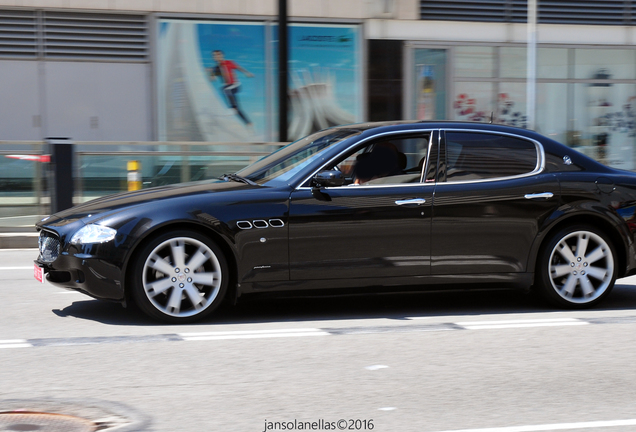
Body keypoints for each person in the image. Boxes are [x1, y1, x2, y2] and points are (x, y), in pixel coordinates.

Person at [209, 50, 254, 127]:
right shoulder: (215, 68)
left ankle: (232, 109)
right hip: (227, 87)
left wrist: (247, 73)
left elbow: (239, 68)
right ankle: (249, 123)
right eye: (214, 55)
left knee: (226, 90)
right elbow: (212, 79)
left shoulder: (229, 62)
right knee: (236, 108)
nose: (216, 57)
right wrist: (210, 74)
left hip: (235, 85)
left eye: (218, 55)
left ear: (222, 56)